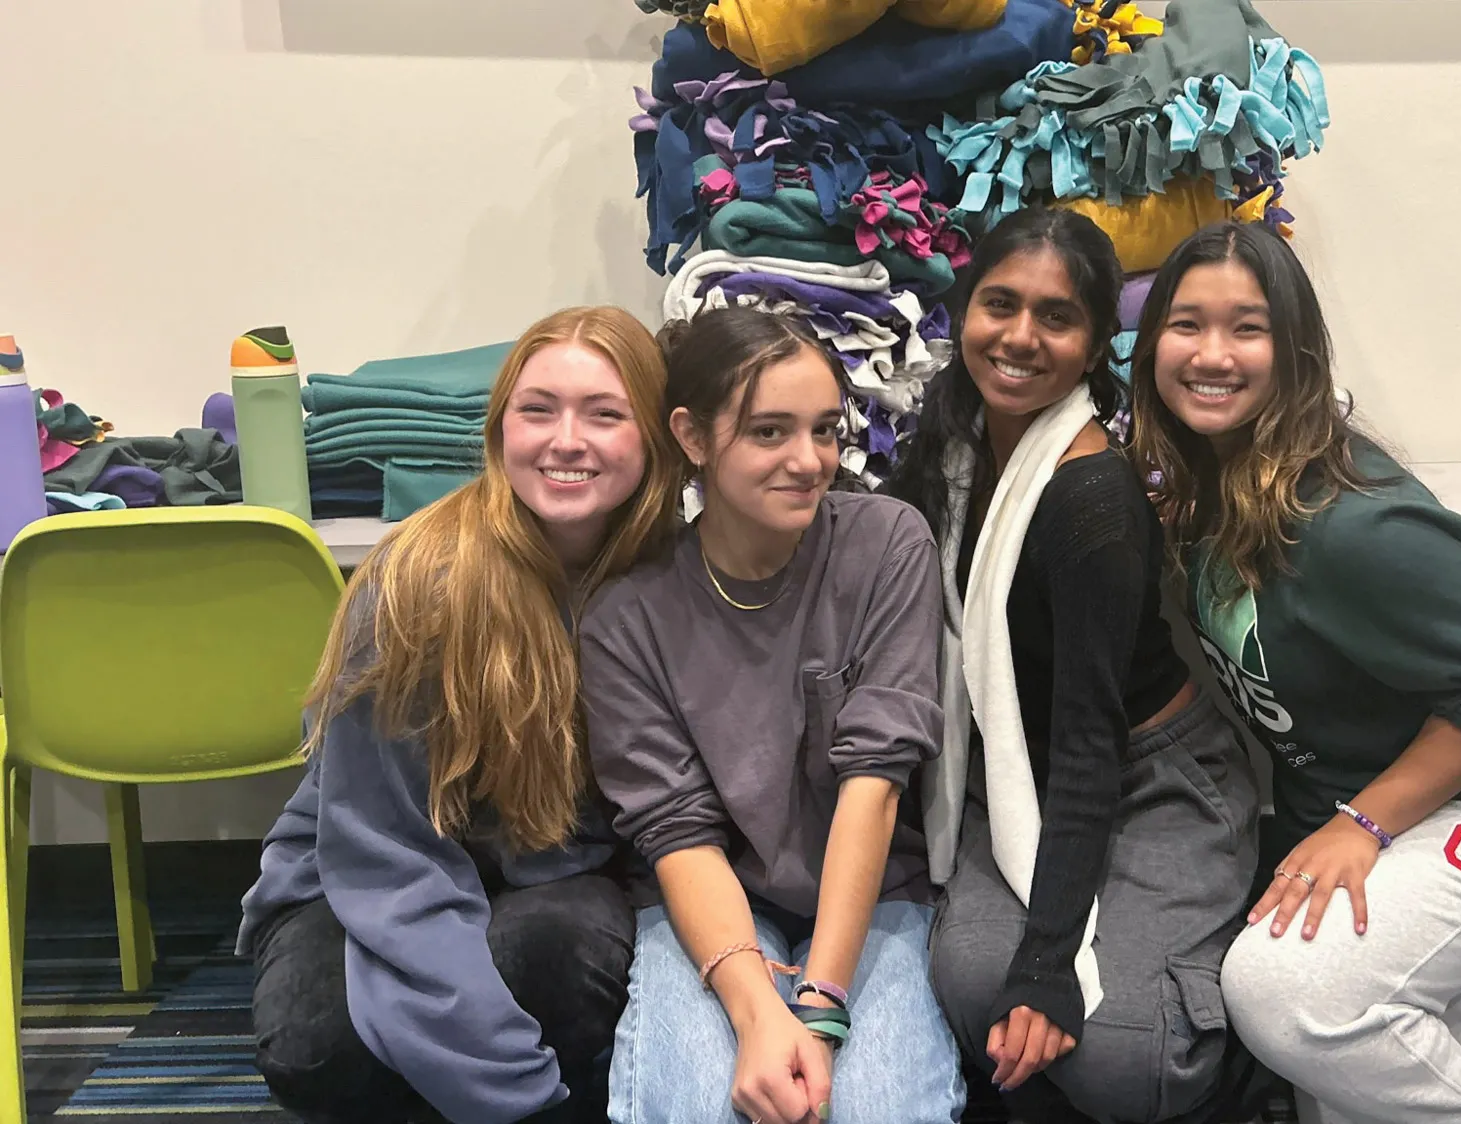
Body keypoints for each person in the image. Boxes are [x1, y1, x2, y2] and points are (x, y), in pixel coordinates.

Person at [1128, 220, 1461, 1124]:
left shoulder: (1354, 526)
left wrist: (1363, 823)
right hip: (1386, 807)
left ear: (1296, 351)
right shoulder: (1207, 482)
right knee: (1333, 1087)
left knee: (1285, 997)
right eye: (1186, 324)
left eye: (1247, 327)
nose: (1212, 353)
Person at [240, 306, 679, 1124]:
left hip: (558, 866)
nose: (566, 440)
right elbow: (383, 853)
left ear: (657, 435)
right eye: (537, 409)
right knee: (322, 1044)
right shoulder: (420, 582)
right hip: (369, 864)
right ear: (500, 426)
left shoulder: (672, 576)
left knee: (551, 963)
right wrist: (515, 1093)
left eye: (605, 414)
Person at [889, 207, 1263, 1124]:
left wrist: (1051, 960)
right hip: (1019, 772)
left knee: (1121, 1059)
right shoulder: (952, 446)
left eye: (1055, 318)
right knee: (974, 988)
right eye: (999, 305)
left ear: (1096, 342)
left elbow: (1090, 741)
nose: (1020, 337)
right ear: (963, 312)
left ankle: (1262, 1061)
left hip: (1146, 777)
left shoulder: (1090, 494)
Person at [578, 306, 965, 1124]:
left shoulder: (887, 544)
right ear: (691, 437)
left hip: (875, 894)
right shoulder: (627, 619)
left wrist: (818, 1006)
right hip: (717, 901)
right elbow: (677, 831)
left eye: (825, 430)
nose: (809, 460)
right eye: (769, 432)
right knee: (700, 1107)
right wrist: (758, 1014)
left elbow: (876, 782)